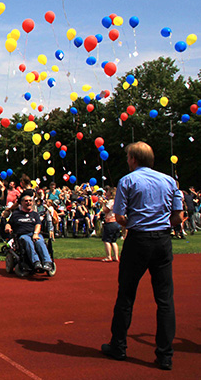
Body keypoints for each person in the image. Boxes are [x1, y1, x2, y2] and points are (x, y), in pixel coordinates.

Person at [102, 142, 183, 371]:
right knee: (165, 299)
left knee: (126, 295)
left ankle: (118, 346)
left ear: (134, 159)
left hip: (138, 240)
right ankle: (165, 355)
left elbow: (118, 215)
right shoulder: (169, 180)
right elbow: (179, 217)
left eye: (128, 157)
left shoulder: (128, 181)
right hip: (162, 241)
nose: (127, 160)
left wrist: (135, 224)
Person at [4, 189, 53, 272]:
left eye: (30, 201)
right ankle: (36, 262)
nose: (28, 202)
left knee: (40, 241)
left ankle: (47, 262)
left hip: (34, 233)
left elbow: (38, 224)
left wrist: (36, 233)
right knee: (27, 241)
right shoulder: (16, 214)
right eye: (26, 201)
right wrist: (7, 227)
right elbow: (9, 223)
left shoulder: (35, 214)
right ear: (22, 203)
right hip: (22, 235)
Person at [100, 186, 120, 262]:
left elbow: (106, 210)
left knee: (107, 240)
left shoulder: (111, 201)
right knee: (114, 241)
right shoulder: (117, 201)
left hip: (110, 222)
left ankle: (108, 256)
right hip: (116, 222)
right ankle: (116, 256)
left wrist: (102, 204)